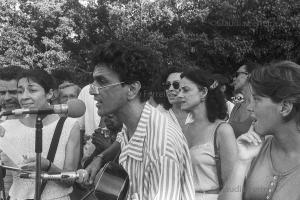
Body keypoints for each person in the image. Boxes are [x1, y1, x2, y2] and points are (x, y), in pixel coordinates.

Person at [77, 41, 195, 200]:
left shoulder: (162, 147)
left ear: (132, 89)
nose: (92, 90)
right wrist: (100, 159)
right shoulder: (132, 123)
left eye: (102, 82)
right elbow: (121, 139)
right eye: (94, 81)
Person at [219, 60, 300, 200]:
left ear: (285, 107)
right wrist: (241, 162)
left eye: (256, 100)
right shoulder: (257, 149)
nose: (249, 107)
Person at [0, 69, 81, 200]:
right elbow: (5, 178)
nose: (24, 96)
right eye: (20, 91)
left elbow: (69, 180)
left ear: (50, 94)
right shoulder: (6, 128)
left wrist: (47, 166)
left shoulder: (69, 125)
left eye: (32, 90)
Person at [177, 68, 237, 200]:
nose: (179, 95)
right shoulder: (182, 129)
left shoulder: (223, 131)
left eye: (185, 90)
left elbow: (232, 185)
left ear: (203, 92)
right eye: (179, 90)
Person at [229, 62, 258, 138]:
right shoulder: (238, 104)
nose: (234, 79)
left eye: (237, 74)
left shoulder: (259, 107)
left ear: (248, 75)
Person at [158, 67, 188, 132]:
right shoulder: (159, 115)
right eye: (167, 85)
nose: (170, 89)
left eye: (176, 84)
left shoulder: (198, 112)